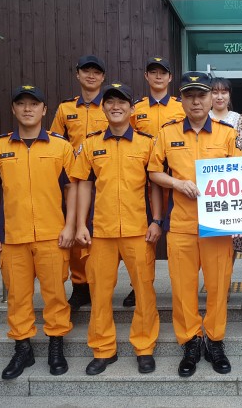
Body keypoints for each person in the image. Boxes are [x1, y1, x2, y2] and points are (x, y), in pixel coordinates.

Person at [0, 85, 75, 379]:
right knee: (17, 296)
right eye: (21, 104)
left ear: (44, 110)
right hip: (13, 236)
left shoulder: (61, 146)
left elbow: (72, 189)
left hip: (52, 234)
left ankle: (56, 344)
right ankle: (22, 348)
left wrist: (70, 225)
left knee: (55, 294)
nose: (27, 109)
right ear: (13, 109)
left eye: (34, 104)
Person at [148, 71, 242, 377]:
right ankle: (190, 341)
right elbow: (153, 172)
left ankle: (214, 341)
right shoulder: (167, 133)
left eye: (202, 95)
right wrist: (177, 183)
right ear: (182, 100)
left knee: (218, 287)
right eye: (189, 96)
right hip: (182, 225)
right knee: (182, 288)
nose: (196, 101)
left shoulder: (227, 134)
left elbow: (240, 175)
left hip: (217, 226)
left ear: (211, 98)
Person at [72, 82, 161, 376]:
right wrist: (81, 225)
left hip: (138, 230)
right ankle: (103, 349)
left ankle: (144, 347)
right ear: (103, 108)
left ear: (132, 109)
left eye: (122, 102)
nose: (115, 106)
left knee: (144, 291)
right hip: (101, 231)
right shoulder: (91, 143)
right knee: (99, 292)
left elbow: (155, 185)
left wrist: (157, 220)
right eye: (110, 101)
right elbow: (83, 185)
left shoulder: (147, 143)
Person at [126, 56, 185, 308]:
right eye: (153, 72)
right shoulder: (136, 108)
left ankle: (182, 285)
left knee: (180, 235)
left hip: (175, 178)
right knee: (145, 235)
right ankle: (139, 286)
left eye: (163, 72)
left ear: (170, 77)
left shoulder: (181, 107)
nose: (158, 76)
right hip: (144, 181)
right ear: (146, 76)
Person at [50, 55, 108, 311]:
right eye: (86, 71)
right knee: (74, 229)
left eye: (96, 72)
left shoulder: (112, 105)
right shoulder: (65, 109)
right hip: (73, 181)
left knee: (103, 233)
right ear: (78, 74)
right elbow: (55, 142)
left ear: (103, 77)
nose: (91, 76)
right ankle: (80, 285)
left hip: (104, 178)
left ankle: (100, 282)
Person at [209, 77, 242, 257]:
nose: (219, 97)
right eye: (215, 92)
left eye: (223, 92)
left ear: (229, 95)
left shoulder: (238, 119)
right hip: (208, 181)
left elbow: (238, 148)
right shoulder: (203, 117)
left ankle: (226, 273)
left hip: (231, 182)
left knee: (232, 235)